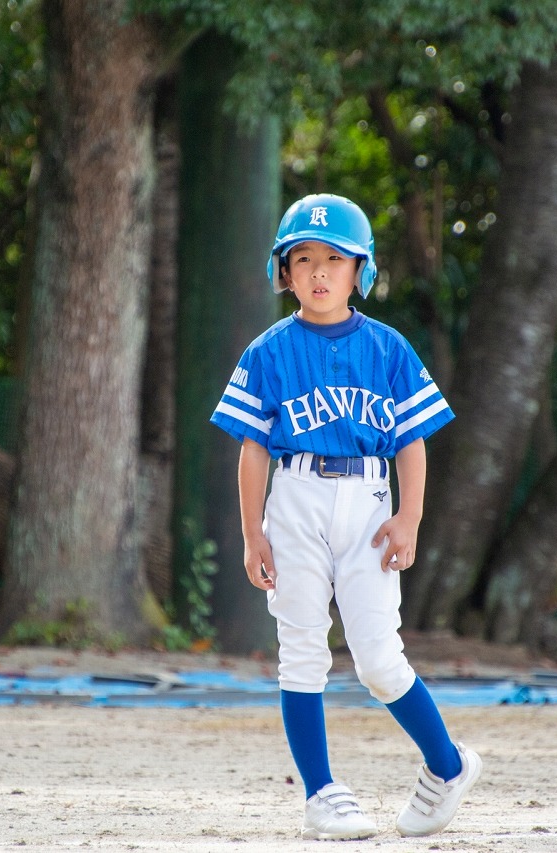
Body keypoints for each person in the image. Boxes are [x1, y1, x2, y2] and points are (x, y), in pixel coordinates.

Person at [210, 193, 481, 840]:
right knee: (301, 652)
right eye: (303, 258)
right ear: (285, 271)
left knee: (379, 659)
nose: (319, 271)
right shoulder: (268, 350)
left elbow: (411, 441)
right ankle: (321, 792)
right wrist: (253, 533)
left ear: (362, 269)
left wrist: (410, 517)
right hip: (295, 497)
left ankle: (447, 766)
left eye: (335, 258)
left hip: (367, 503)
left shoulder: (387, 348)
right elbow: (253, 451)